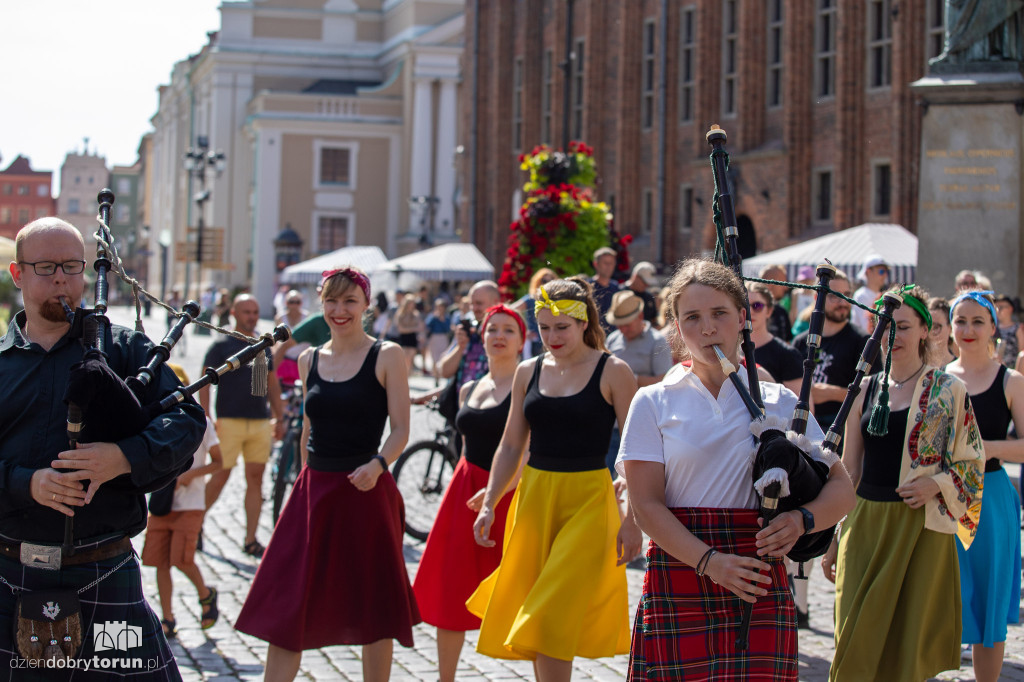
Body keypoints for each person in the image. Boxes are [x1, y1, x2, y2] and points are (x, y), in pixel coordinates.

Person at [617, 259, 854, 680]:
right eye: (692, 317)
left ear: (743, 318)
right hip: (682, 569)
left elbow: (842, 490)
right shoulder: (653, 401)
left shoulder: (779, 401)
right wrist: (710, 562)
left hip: (758, 575)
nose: (708, 328)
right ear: (675, 325)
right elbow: (647, 506)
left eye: (719, 313)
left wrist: (802, 521)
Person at [0, 217, 205, 677]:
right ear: (18, 275)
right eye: (46, 266)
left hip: (106, 572)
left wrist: (122, 457)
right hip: (8, 574)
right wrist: (25, 483)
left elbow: (187, 422)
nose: (61, 279)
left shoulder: (127, 350)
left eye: (72, 267)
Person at [235, 267, 416, 682]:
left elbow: (401, 429)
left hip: (366, 490)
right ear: (321, 304)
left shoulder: (386, 355)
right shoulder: (308, 358)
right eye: (332, 301)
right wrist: (301, 483)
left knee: (375, 609)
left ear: (367, 305)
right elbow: (308, 430)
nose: (340, 310)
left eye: (350, 301)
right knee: (288, 604)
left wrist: (379, 464)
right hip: (315, 491)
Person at [468, 277, 642, 680]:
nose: (552, 336)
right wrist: (491, 501)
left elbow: (639, 451)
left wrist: (633, 519)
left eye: (561, 326)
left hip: (589, 501)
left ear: (584, 323)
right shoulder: (527, 371)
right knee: (541, 616)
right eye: (544, 327)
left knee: (547, 610)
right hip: (535, 498)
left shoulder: (613, 370)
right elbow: (511, 445)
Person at [823, 284, 985, 682]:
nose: (892, 334)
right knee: (853, 640)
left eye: (903, 326)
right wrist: (832, 538)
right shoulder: (863, 388)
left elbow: (973, 462)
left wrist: (938, 484)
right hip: (864, 525)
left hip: (918, 529)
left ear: (926, 331)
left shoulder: (950, 390)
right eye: (884, 326)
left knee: (904, 651)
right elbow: (849, 470)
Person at [412, 305, 524, 682]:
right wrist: (464, 491)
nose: (499, 335)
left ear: (523, 341)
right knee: (451, 588)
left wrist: (495, 496)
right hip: (464, 490)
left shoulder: (527, 388)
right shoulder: (468, 388)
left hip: (508, 493)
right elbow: (464, 447)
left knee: (520, 594)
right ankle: (446, 678)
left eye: (509, 330)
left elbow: (525, 454)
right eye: (492, 328)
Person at [945, 290, 1024, 682]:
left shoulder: (1011, 381)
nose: (968, 329)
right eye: (961, 320)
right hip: (941, 497)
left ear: (995, 327)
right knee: (942, 593)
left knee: (989, 601)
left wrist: (981, 447)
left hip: (990, 496)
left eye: (978, 321)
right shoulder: (937, 379)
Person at [200, 294, 286, 558]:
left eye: (255, 311)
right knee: (220, 475)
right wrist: (206, 416)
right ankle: (193, 525)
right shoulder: (221, 346)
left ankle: (250, 539)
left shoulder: (261, 346)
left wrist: (279, 416)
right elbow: (204, 382)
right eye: (247, 311)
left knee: (255, 480)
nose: (252, 316)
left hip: (259, 422)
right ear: (235, 313)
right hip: (229, 420)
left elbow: (269, 384)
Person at [142, 369, 222, 639]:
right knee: (160, 561)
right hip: (163, 503)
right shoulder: (156, 421)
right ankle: (168, 618)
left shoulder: (203, 422)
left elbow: (220, 461)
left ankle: (206, 594)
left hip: (191, 503)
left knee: (181, 559)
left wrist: (191, 474)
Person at [792, 270, 872, 436]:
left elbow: (872, 393)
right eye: (834, 296)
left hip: (840, 428)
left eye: (847, 295)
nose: (843, 302)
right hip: (801, 426)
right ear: (817, 299)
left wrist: (834, 393)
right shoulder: (801, 342)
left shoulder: (861, 341)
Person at [604, 290, 673, 475]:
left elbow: (665, 381)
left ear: (640, 317)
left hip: (644, 424)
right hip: (613, 424)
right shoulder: (612, 340)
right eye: (619, 325)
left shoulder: (657, 342)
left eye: (626, 325)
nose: (623, 330)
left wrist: (630, 379)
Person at [748, 282, 803, 395]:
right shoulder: (729, 350)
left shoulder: (787, 354)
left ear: (769, 311)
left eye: (757, 306)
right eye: (743, 306)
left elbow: (804, 409)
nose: (749, 312)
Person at [512, 267, 556, 359]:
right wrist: (522, 330)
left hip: (554, 339)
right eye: (544, 280)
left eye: (551, 280)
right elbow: (511, 310)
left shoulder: (557, 300)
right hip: (535, 343)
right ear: (538, 282)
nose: (547, 283)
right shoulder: (532, 298)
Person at [851, 255, 889, 331]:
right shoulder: (861, 295)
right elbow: (867, 327)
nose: (885, 275)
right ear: (868, 272)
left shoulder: (881, 295)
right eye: (881, 271)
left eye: (886, 272)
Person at [590, 246, 622, 334]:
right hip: (594, 335)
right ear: (596, 264)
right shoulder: (588, 287)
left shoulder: (616, 287)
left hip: (613, 335)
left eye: (611, 263)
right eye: (605, 263)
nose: (608, 267)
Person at [759, 264, 794, 342]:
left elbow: (787, 344)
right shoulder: (752, 309)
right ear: (770, 282)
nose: (786, 288)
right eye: (783, 283)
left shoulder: (782, 312)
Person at [391, 296, 422, 374]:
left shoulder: (416, 314)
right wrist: (413, 328)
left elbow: (420, 327)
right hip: (403, 338)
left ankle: (408, 377)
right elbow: (401, 329)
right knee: (404, 359)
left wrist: (408, 329)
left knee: (410, 359)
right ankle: (403, 375)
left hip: (412, 338)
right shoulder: (400, 314)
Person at [424, 298, 452, 379]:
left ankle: (440, 375)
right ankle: (436, 376)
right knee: (434, 358)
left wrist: (442, 320)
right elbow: (427, 326)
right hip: (434, 338)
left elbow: (448, 329)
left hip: (443, 338)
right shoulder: (432, 316)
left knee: (442, 357)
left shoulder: (446, 318)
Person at [994, 294, 1024, 368]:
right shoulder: (992, 327)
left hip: (1011, 369)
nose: (998, 310)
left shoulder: (1017, 328)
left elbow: (1021, 351)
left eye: (1001, 307)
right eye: (996, 307)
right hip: (994, 368)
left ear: (1010, 309)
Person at [928, 296, 958, 368]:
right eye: (927, 327)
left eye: (936, 327)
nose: (930, 333)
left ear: (950, 328)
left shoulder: (959, 370)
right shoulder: (914, 369)